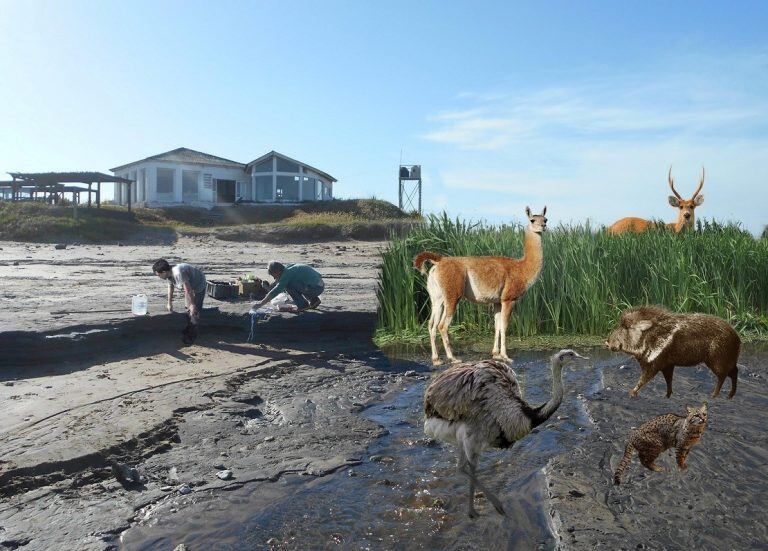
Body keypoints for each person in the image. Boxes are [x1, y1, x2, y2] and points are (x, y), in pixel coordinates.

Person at [152, 259, 207, 344]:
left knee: (194, 311)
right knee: (188, 309)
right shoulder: (169, 274)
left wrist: (192, 304)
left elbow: (188, 290)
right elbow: (171, 287)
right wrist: (169, 303)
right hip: (189, 288)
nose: (159, 277)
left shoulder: (178, 273)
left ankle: (192, 336)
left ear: (163, 272)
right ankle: (189, 327)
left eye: (158, 275)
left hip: (198, 284)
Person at [253, 261, 324, 312]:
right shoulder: (288, 269)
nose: (274, 278)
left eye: (273, 276)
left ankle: (303, 305)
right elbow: (279, 281)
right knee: (297, 282)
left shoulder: (286, 275)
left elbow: (276, 291)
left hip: (315, 288)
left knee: (288, 285)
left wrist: (260, 304)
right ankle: (314, 300)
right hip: (318, 285)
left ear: (277, 272)